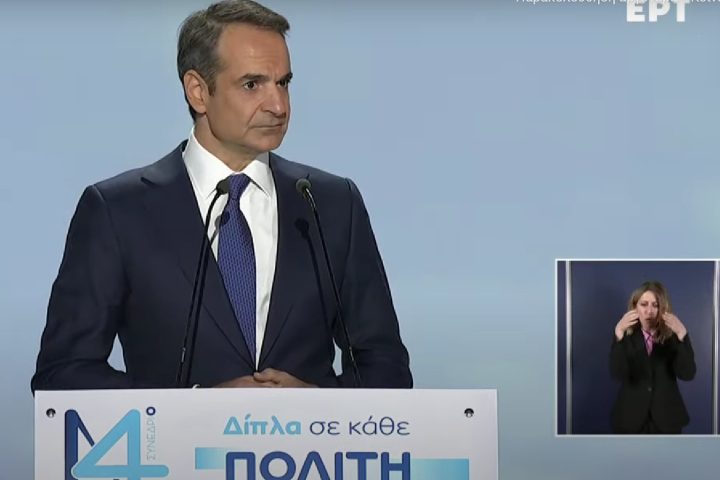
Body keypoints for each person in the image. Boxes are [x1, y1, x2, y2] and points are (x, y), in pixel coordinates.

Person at [31, 0, 412, 391]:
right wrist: (197, 410)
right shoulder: (117, 211)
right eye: (252, 84)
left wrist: (314, 405)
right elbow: (63, 375)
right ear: (198, 92)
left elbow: (387, 368)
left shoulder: (332, 204)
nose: (278, 105)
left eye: (283, 83)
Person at [610, 281, 695, 434]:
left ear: (663, 309)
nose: (649, 311)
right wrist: (618, 334)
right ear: (635, 307)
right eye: (644, 304)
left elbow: (687, 374)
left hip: (667, 420)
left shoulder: (672, 337)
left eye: (655, 305)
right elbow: (617, 373)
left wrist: (682, 334)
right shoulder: (624, 336)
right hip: (630, 419)